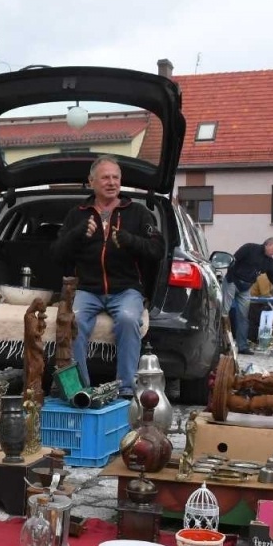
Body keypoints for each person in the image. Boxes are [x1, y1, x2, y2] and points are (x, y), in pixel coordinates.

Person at [50, 155, 162, 393]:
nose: (111, 182)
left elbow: (157, 250)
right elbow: (56, 253)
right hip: (87, 289)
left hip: (126, 289)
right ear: (91, 181)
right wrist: (77, 234)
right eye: (105, 177)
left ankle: (126, 390)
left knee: (129, 319)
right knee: (74, 321)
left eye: (115, 177)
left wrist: (130, 240)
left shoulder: (138, 213)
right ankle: (80, 390)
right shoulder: (78, 214)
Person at [222, 238, 273, 354]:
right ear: (268, 245)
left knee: (243, 316)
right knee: (225, 312)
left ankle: (242, 346)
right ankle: (222, 343)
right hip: (233, 281)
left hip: (246, 287)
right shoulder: (249, 248)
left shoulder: (269, 262)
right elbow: (233, 261)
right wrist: (230, 278)